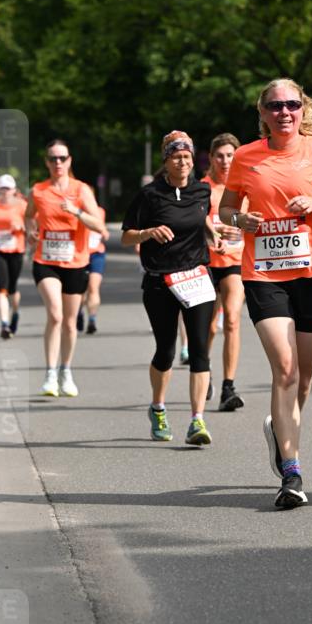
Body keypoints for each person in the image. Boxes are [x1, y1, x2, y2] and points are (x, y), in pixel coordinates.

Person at [219, 78, 312, 509]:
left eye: (292, 105)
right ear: (262, 112)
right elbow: (226, 209)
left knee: (303, 380)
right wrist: (241, 221)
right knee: (285, 369)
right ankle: (292, 472)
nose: (284, 112)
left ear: (303, 109)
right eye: (275, 106)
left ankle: (278, 429)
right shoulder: (246, 157)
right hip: (264, 274)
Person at [121, 130, 216, 445]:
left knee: (200, 350)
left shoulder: (202, 191)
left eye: (187, 156)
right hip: (160, 281)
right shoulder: (149, 195)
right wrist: (148, 232)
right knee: (166, 350)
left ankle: (197, 420)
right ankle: (158, 408)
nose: (183, 162)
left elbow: (202, 220)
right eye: (176, 157)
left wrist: (216, 235)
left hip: (196, 277)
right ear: (166, 161)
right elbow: (126, 236)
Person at [25, 139, 105, 397]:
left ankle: (65, 371)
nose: (57, 162)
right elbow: (28, 216)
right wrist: (30, 231)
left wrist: (76, 212)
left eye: (62, 158)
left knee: (70, 323)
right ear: (46, 162)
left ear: (69, 161)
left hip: (76, 262)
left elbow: (99, 226)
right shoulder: (38, 190)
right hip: (45, 261)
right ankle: (50, 374)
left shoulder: (81, 190)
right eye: (52, 158)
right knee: (55, 315)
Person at [204, 132, 246, 411]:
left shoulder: (245, 188)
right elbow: (194, 221)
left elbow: (256, 220)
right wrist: (213, 233)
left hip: (235, 261)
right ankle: (203, 370)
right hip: (206, 263)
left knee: (231, 320)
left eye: (230, 155)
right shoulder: (202, 188)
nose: (225, 161)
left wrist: (242, 227)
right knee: (208, 326)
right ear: (211, 158)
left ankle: (228, 387)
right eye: (219, 156)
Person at [0, 174, 27, 339]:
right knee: (1, 288)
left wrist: (21, 226)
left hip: (16, 250)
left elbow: (32, 226)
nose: (5, 192)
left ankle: (15, 312)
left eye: (8, 189)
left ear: (14, 190)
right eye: (2, 188)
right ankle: (4, 323)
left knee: (12, 289)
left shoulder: (22, 206)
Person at [77, 201, 110, 335]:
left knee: (93, 287)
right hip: (79, 254)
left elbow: (101, 228)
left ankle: (92, 319)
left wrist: (104, 232)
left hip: (97, 254)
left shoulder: (100, 211)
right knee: (79, 290)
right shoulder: (75, 211)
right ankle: (79, 311)